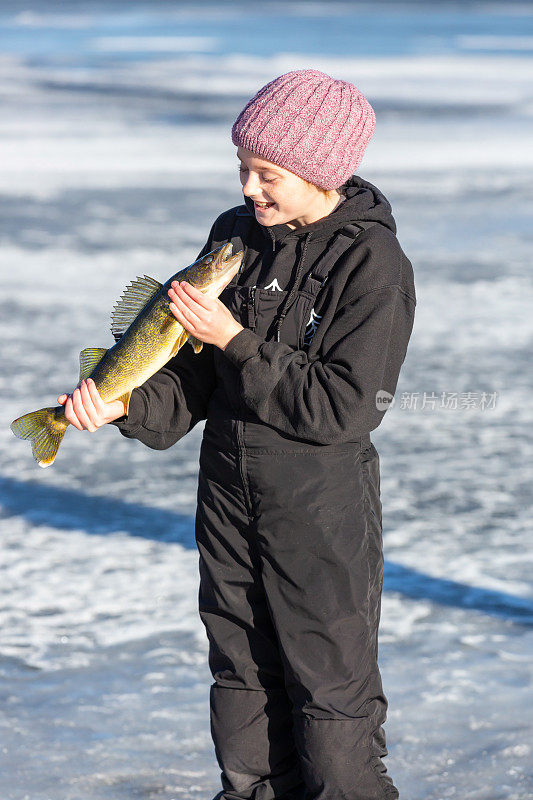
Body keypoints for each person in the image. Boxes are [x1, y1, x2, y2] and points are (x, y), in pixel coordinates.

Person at [58, 69, 416, 800]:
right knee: (240, 671)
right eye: (243, 168)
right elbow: (189, 374)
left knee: (327, 686)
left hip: (319, 505)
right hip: (226, 491)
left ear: (322, 173)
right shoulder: (233, 236)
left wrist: (234, 339)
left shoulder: (371, 264)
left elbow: (345, 407)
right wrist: (126, 405)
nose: (250, 188)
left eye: (269, 173)